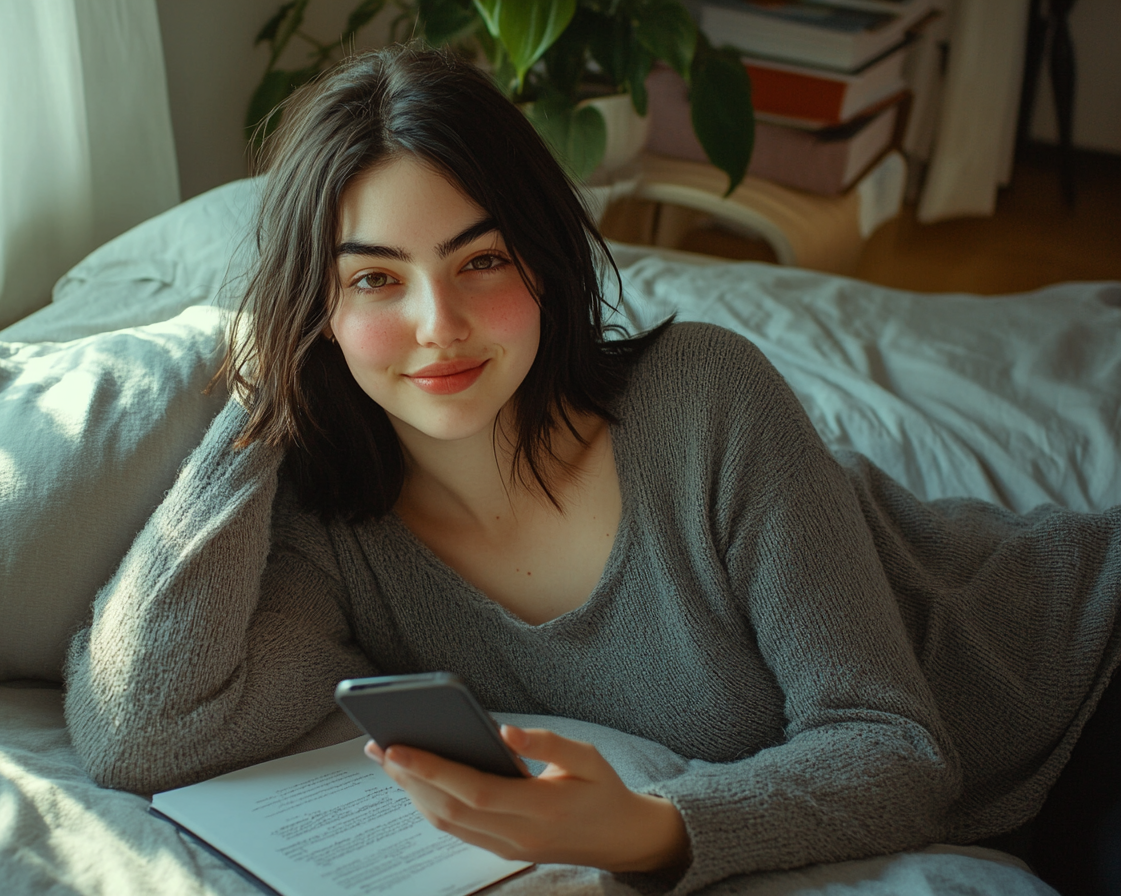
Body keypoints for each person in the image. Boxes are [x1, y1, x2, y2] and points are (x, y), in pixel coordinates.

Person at [63, 44, 1121, 895]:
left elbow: (891, 744)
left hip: (1083, 669)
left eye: (482, 260)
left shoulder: (705, 399)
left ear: (546, 255)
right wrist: (258, 407)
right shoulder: (333, 536)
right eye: (376, 280)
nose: (441, 328)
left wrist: (649, 828)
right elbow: (145, 725)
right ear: (315, 314)